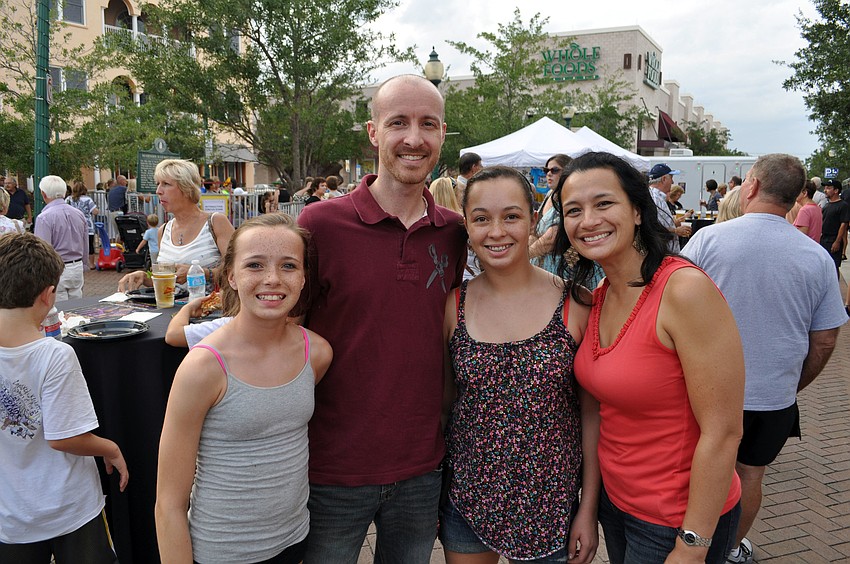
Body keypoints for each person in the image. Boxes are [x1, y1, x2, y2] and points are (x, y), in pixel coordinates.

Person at [297, 74, 467, 564]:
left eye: (427, 124)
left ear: (441, 134)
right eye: (398, 123)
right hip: (332, 467)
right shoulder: (320, 225)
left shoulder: (454, 233)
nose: (414, 138)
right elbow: (285, 332)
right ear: (373, 132)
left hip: (422, 466)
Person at [555, 151, 744, 563]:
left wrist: (693, 545)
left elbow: (724, 431)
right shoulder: (601, 295)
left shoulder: (683, 291)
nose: (588, 220)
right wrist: (591, 506)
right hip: (618, 507)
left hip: (676, 520)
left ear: (638, 211)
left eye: (604, 204)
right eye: (574, 210)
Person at [681, 154, 847, 564]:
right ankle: (730, 549)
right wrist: (792, 382)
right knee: (751, 474)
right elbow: (825, 340)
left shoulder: (708, 240)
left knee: (696, 469)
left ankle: (690, 544)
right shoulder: (816, 257)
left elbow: (671, 305)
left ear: (751, 185)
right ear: (795, 197)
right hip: (773, 394)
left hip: (704, 387)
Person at [441, 166, 599, 564]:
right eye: (481, 219)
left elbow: (592, 414)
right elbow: (446, 402)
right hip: (469, 497)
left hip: (552, 504)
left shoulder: (575, 304)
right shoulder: (453, 304)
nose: (496, 232)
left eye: (511, 216)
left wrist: (589, 507)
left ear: (533, 220)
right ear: (467, 225)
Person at [155, 213, 332, 563]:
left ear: (302, 279)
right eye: (255, 265)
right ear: (231, 277)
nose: (273, 279)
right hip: (223, 552)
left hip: (295, 540)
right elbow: (169, 503)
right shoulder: (203, 368)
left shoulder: (317, 354)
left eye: (288, 266)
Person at [0, 232, 129, 563]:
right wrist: (110, 448)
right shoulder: (54, 356)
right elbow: (66, 437)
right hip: (69, 509)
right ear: (48, 295)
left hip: (11, 515)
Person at [117, 159, 234, 292]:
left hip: (210, 308)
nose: (158, 191)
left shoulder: (216, 222)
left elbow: (237, 271)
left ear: (187, 188)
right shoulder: (163, 230)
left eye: (166, 184)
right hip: (171, 310)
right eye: (158, 184)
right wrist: (145, 278)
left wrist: (202, 273)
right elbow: (169, 281)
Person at [34, 176, 89, 301]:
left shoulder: (44, 217)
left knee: (59, 309)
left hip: (57, 268)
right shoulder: (78, 214)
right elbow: (85, 242)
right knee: (77, 307)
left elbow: (43, 251)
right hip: (77, 265)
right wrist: (84, 264)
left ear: (43, 194)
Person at [529, 154, 571, 273]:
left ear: (567, 172)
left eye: (555, 170)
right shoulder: (550, 195)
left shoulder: (568, 197)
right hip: (540, 263)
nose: (548, 174)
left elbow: (551, 239)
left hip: (563, 266)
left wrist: (523, 257)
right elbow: (534, 231)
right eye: (546, 170)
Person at [647, 163, 691, 251]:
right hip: (662, 254)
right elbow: (651, 227)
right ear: (663, 179)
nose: (672, 182)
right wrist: (676, 231)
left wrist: (674, 223)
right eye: (671, 178)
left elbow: (659, 223)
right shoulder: (654, 198)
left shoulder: (656, 196)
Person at [65, 180, 100, 270]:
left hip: (72, 226)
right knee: (89, 245)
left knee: (75, 245)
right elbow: (95, 211)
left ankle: (77, 262)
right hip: (87, 225)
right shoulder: (87, 199)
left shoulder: (68, 199)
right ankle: (91, 264)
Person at [820, 178, 850, 277]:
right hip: (824, 239)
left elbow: (843, 224)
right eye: (825, 188)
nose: (825, 190)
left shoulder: (843, 206)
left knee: (833, 267)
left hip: (833, 239)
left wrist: (837, 241)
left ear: (836, 190)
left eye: (828, 188)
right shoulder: (827, 206)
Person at [107, 175, 128, 242]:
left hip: (112, 212)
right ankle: (121, 249)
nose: (126, 182)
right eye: (125, 180)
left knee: (117, 232)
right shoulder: (123, 189)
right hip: (119, 212)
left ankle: (118, 248)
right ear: (121, 181)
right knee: (122, 232)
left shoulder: (112, 190)